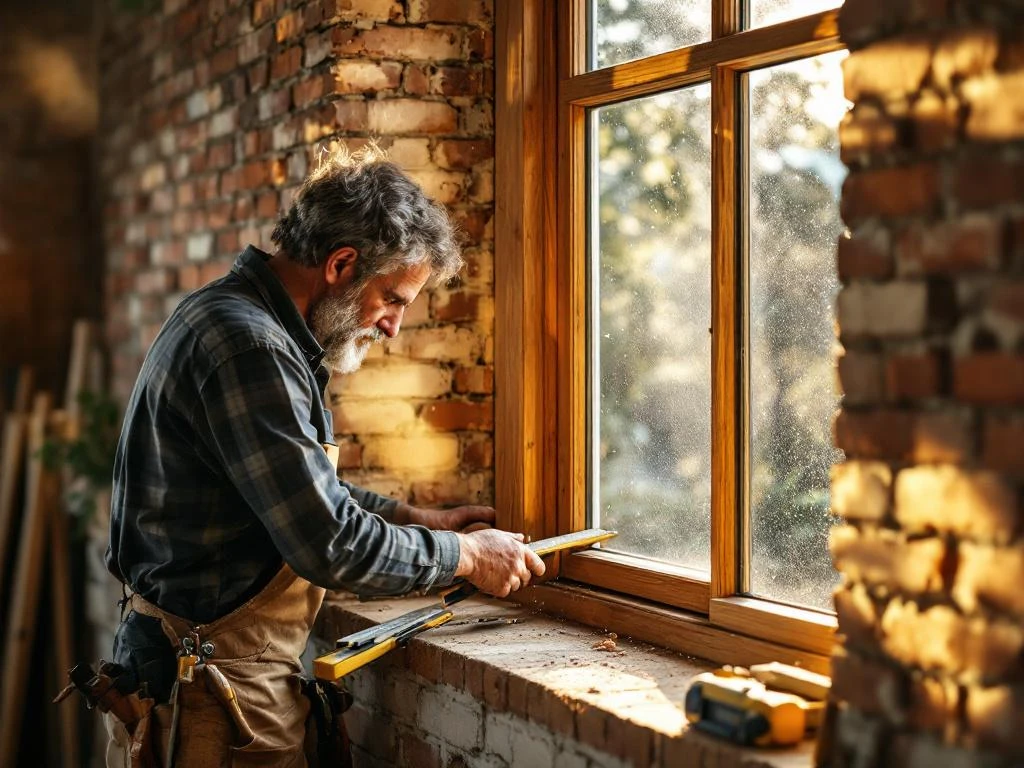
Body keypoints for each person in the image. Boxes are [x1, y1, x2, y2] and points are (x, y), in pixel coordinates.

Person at [99, 143, 546, 767]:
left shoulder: (239, 320)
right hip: (214, 698)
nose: (392, 326)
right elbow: (328, 541)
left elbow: (296, 493)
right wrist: (467, 555)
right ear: (341, 264)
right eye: (392, 299)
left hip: (210, 677)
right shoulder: (250, 347)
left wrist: (422, 523)